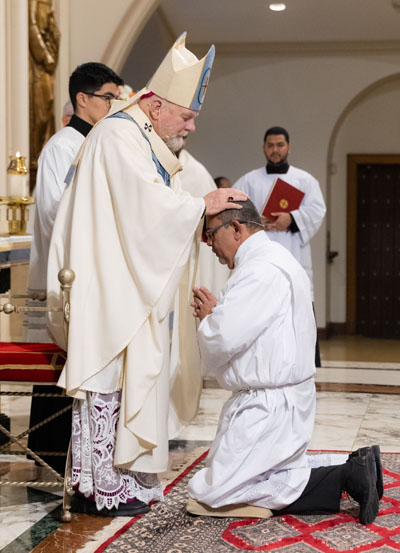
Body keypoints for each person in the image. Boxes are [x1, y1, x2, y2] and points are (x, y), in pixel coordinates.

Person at [46, 33, 247, 516]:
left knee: (137, 380)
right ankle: (104, 490)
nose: (192, 126)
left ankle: (130, 481)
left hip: (131, 282)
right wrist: (201, 206)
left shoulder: (139, 135)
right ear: (156, 106)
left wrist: (192, 216)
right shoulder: (118, 135)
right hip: (111, 288)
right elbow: (145, 208)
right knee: (113, 380)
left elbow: (150, 212)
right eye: (187, 115)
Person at [187, 200, 381, 526]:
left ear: (236, 228)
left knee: (213, 493)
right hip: (281, 399)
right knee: (262, 474)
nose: (210, 246)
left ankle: (350, 473)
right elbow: (254, 331)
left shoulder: (258, 271)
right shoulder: (275, 259)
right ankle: (357, 465)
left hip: (268, 406)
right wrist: (221, 315)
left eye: (211, 234)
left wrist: (209, 319)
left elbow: (220, 339)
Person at [26, 62, 123, 475]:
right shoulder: (62, 146)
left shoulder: (103, 144)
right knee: (58, 370)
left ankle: (83, 460)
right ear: (83, 99)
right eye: (108, 97)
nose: (114, 105)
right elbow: (52, 213)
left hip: (91, 275)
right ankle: (49, 460)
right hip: (66, 276)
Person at [233, 127, 326, 365]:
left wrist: (292, 219)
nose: (275, 150)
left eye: (280, 145)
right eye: (270, 145)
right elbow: (233, 209)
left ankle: (301, 361)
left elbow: (317, 210)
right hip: (260, 257)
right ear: (264, 148)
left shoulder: (305, 180)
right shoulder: (249, 180)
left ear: (289, 147)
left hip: (293, 254)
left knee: (297, 304)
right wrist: (255, 220)